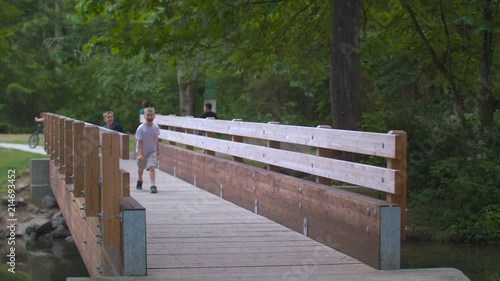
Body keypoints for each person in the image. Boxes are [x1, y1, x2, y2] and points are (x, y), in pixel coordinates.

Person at [135, 107, 160, 193]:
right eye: (147, 115)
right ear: (144, 116)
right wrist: (140, 154)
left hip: (151, 150)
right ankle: (140, 180)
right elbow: (139, 143)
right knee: (141, 168)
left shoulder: (155, 127)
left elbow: (156, 139)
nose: (149, 117)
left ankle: (153, 185)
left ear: (154, 116)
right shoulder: (141, 128)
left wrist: (158, 150)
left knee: (152, 167)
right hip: (142, 150)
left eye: (151, 115)